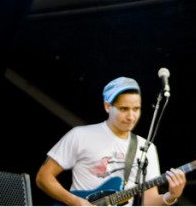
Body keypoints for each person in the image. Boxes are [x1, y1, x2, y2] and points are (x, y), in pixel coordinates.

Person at [36, 76, 186, 206]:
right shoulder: (80, 135)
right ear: (107, 106)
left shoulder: (146, 148)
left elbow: (149, 201)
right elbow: (44, 177)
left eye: (136, 109)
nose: (131, 116)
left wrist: (171, 196)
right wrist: (75, 202)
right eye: (124, 109)